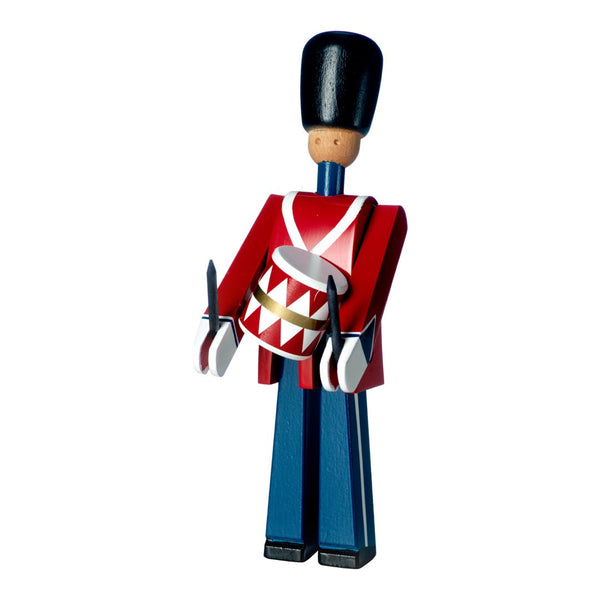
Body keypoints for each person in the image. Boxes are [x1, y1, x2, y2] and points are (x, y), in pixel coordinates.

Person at [194, 31, 407, 569]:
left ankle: (343, 538)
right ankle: (286, 531)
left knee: (339, 433)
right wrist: (221, 321)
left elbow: (372, 284)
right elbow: (247, 265)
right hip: (284, 339)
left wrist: (355, 339)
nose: (329, 144)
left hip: (335, 341)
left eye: (338, 135)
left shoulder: (377, 216)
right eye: (322, 134)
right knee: (289, 435)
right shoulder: (280, 207)